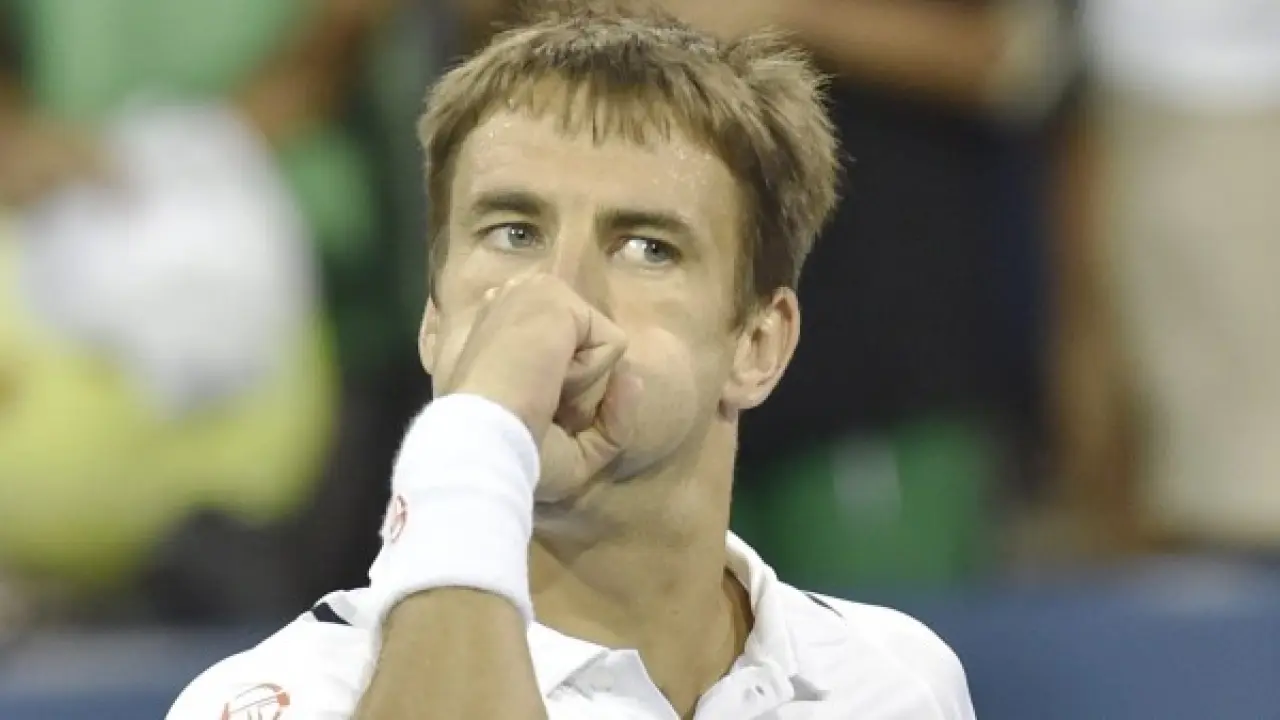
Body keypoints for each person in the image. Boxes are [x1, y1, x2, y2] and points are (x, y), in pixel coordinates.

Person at [167, 3, 976, 718]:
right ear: (435, 320)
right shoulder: (275, 702)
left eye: (647, 247)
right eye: (514, 233)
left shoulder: (898, 686)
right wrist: (476, 441)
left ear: (758, 346)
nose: (562, 295)